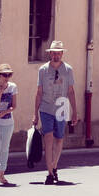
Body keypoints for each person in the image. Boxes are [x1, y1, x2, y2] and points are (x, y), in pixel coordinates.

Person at [34, 40, 78, 184]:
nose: (56, 55)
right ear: (50, 54)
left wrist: (75, 112)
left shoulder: (68, 70)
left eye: (58, 53)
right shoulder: (43, 70)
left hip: (62, 106)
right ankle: (50, 172)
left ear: (62, 54)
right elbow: (39, 92)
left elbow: (71, 91)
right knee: (48, 138)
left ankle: (54, 166)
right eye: (54, 53)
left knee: (59, 138)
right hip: (46, 107)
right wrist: (35, 113)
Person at [0, 63, 17, 187]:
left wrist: (5, 112)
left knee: (5, 148)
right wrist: (0, 91)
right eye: (4, 75)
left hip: (8, 122)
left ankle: (2, 174)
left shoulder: (13, 87)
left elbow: (14, 106)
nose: (7, 77)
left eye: (9, 75)